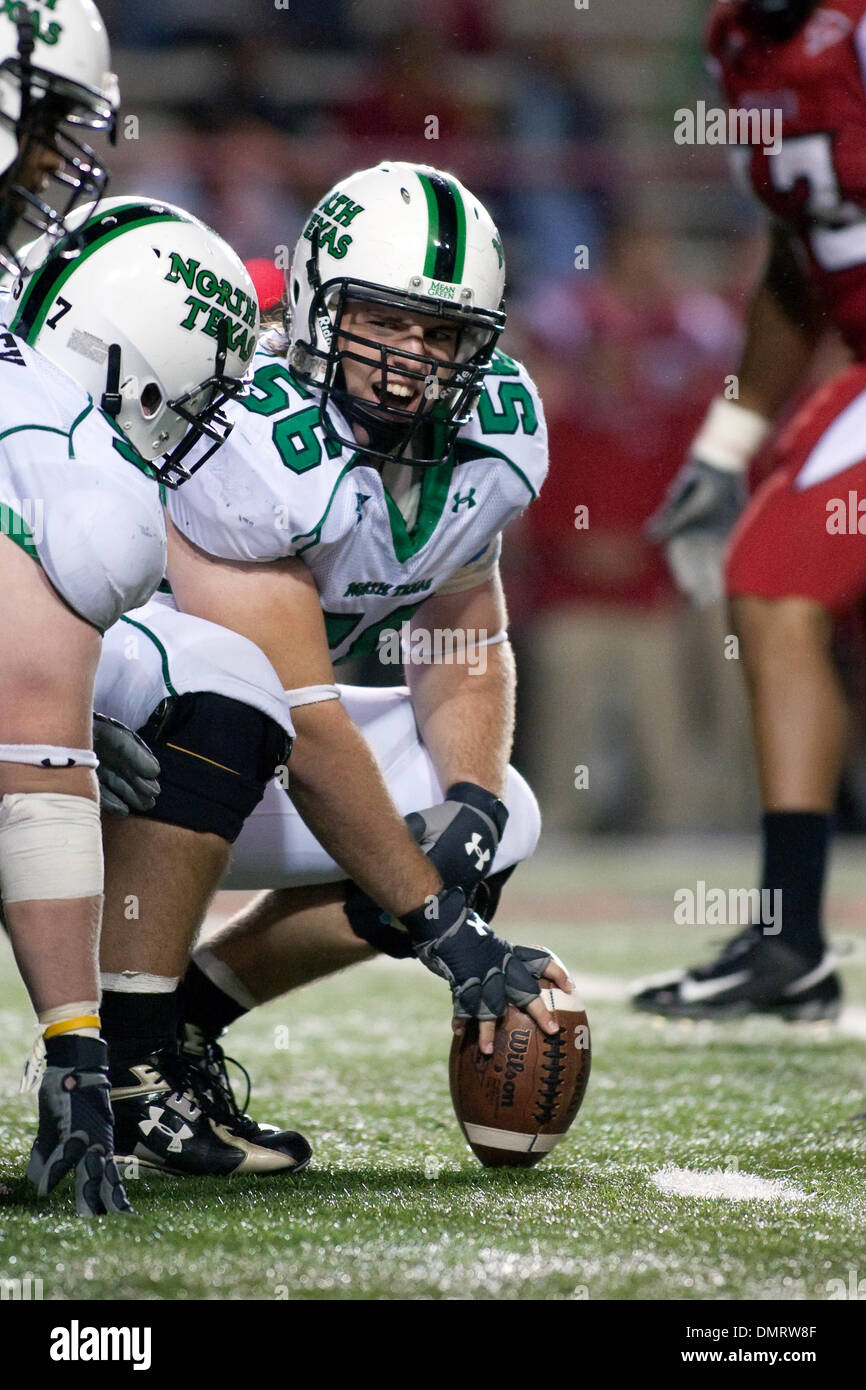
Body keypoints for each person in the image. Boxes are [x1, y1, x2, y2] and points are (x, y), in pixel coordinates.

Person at [88, 161, 573, 1177]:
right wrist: (447, 930)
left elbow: (465, 632)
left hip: (245, 747)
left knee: (510, 814)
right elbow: (305, 728)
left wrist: (472, 804)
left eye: (440, 335)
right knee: (232, 685)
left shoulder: (487, 439)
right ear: (315, 303)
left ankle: (183, 1022)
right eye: (384, 322)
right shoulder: (252, 432)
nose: (409, 359)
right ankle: (127, 1060)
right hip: (106, 743)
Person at [0, 9, 259, 1215]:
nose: (56, 159)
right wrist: (76, 1058)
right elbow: (35, 747)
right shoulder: (73, 458)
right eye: (45, 120)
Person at [634, 0, 860, 1019]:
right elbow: (797, 254)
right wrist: (725, 444)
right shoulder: (737, 42)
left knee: (771, 574)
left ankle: (788, 936)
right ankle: (788, 938)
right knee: (772, 576)